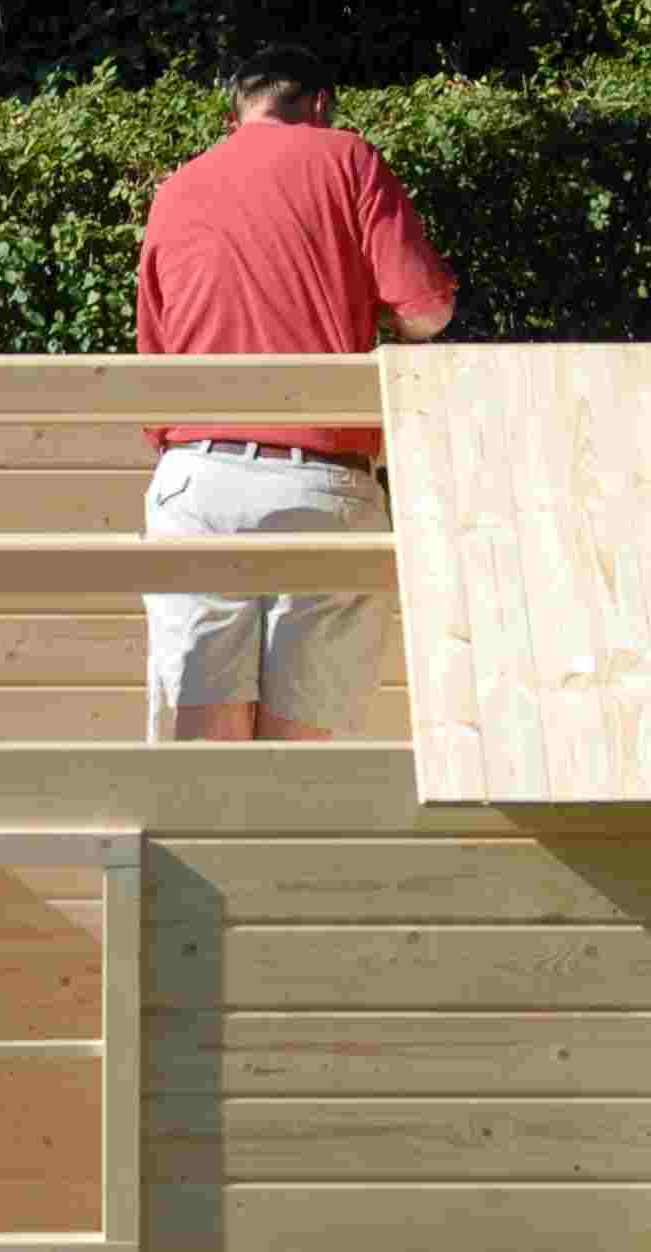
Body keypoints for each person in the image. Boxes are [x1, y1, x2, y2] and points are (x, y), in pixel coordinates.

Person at [136, 40, 456, 743]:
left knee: (201, 752)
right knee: (299, 763)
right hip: (319, 485)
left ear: (235, 117)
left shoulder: (176, 189)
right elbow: (428, 311)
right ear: (318, 105)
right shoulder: (347, 158)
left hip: (197, 483)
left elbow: (153, 365)